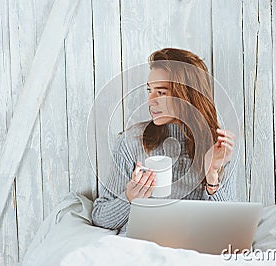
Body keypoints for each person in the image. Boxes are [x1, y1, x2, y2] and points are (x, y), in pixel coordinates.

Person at [92, 48, 236, 235]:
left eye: (160, 93)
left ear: (187, 95)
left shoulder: (218, 147)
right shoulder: (132, 141)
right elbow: (100, 217)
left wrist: (212, 176)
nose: (150, 101)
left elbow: (230, 227)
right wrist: (129, 199)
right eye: (149, 91)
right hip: (142, 250)